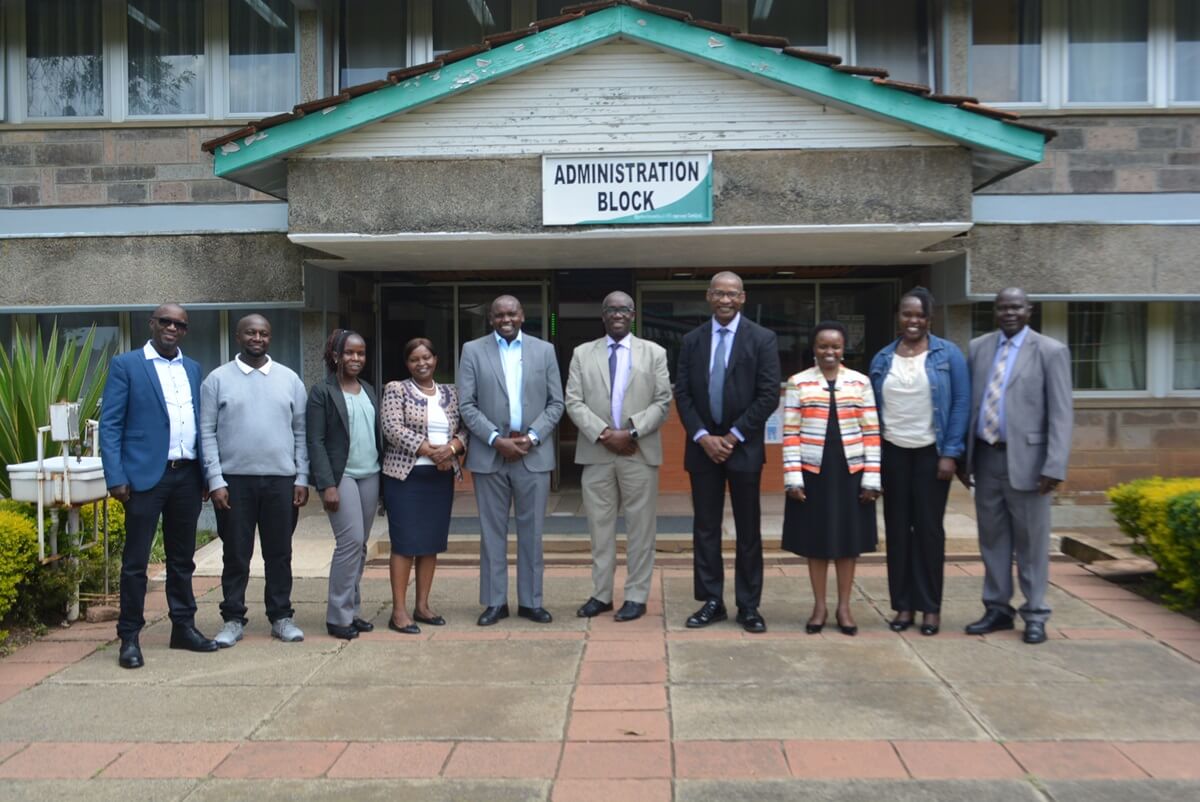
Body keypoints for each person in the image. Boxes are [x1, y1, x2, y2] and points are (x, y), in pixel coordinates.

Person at [99, 303, 217, 668]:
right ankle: (129, 637)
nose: (172, 328)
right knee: (136, 563)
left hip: (187, 476)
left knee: (182, 560)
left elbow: (201, 423)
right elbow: (111, 425)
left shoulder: (193, 368)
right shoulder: (127, 365)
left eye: (180, 324)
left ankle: (183, 627)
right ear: (152, 324)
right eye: (165, 321)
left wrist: (204, 475)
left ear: (185, 330)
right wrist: (116, 477)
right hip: (144, 479)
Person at [960, 287, 1072, 645]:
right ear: (994, 311)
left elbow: (1061, 413)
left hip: (1030, 462)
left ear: (1029, 310)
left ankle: (1035, 612)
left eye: (1016, 307)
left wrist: (1054, 465)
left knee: (1032, 544)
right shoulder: (979, 348)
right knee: (992, 540)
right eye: (1002, 307)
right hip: (987, 456)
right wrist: (965, 457)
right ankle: (997, 608)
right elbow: (970, 405)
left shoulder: (1050, 351)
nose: (1009, 312)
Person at [675, 272, 781, 633]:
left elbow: (768, 395)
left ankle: (749, 605)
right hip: (703, 449)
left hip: (744, 448)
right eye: (719, 293)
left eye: (731, 294)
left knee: (748, 530)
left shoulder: (762, 339)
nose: (725, 300)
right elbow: (684, 394)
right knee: (706, 528)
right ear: (708, 296)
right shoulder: (691, 340)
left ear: (743, 298)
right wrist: (704, 436)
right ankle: (711, 601)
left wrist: (733, 436)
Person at [200, 314, 310, 647]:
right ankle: (233, 619)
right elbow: (206, 432)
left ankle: (281, 617)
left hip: (281, 481)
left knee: (280, 553)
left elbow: (301, 431)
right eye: (251, 332)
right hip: (234, 483)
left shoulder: (289, 379)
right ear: (238, 336)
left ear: (270, 337)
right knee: (236, 554)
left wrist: (302, 476)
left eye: (263, 333)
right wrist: (215, 479)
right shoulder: (217, 380)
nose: (257, 338)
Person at [565, 291, 673, 622]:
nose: (617, 314)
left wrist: (632, 432)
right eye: (611, 309)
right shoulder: (583, 353)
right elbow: (573, 401)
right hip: (597, 453)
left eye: (624, 309)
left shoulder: (654, 353)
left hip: (638, 451)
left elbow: (662, 400)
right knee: (600, 529)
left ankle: (636, 596)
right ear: (603, 315)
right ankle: (601, 595)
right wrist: (604, 435)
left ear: (633, 314)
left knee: (641, 530)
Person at [458, 295, 564, 626]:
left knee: (532, 533)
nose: (506, 319)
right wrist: (495, 439)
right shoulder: (472, 351)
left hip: (533, 454)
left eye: (512, 313)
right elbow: (467, 404)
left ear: (522, 316)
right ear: (491, 318)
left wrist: (532, 437)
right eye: (500, 314)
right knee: (492, 533)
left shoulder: (544, 351)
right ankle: (495, 602)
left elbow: (556, 403)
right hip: (490, 455)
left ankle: (532, 602)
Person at [868, 288, 969, 636]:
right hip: (893, 453)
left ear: (930, 319)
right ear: (899, 316)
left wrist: (950, 453)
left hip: (931, 455)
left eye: (919, 315)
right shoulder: (882, 358)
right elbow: (873, 413)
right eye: (907, 314)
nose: (913, 321)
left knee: (928, 531)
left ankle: (930, 608)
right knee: (896, 532)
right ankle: (903, 606)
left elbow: (960, 404)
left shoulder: (948, 354)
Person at [782, 321, 881, 636]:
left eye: (835, 347)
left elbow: (872, 432)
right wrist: (793, 477)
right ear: (814, 349)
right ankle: (820, 606)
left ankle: (844, 607)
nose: (829, 352)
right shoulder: (798, 383)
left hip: (851, 473)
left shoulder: (860, 382)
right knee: (816, 542)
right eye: (823, 346)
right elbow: (790, 433)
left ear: (843, 349)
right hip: (813, 473)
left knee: (848, 543)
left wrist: (872, 479)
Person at [380, 338, 468, 634]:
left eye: (427, 357)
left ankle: (423, 605)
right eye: (415, 359)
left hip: (439, 478)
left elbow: (464, 429)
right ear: (407, 363)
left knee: (430, 543)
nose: (422, 363)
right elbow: (392, 429)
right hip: (406, 478)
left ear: (436, 359)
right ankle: (399, 611)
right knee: (405, 544)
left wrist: (453, 448)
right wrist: (431, 451)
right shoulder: (396, 389)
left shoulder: (451, 392)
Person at [306, 329, 381, 640]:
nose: (355, 358)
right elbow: (315, 440)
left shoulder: (367, 389)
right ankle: (337, 617)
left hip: (370, 473)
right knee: (349, 543)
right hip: (342, 477)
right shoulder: (322, 392)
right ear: (335, 355)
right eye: (349, 353)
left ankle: (352, 609)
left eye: (360, 353)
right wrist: (327, 485)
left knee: (360, 546)